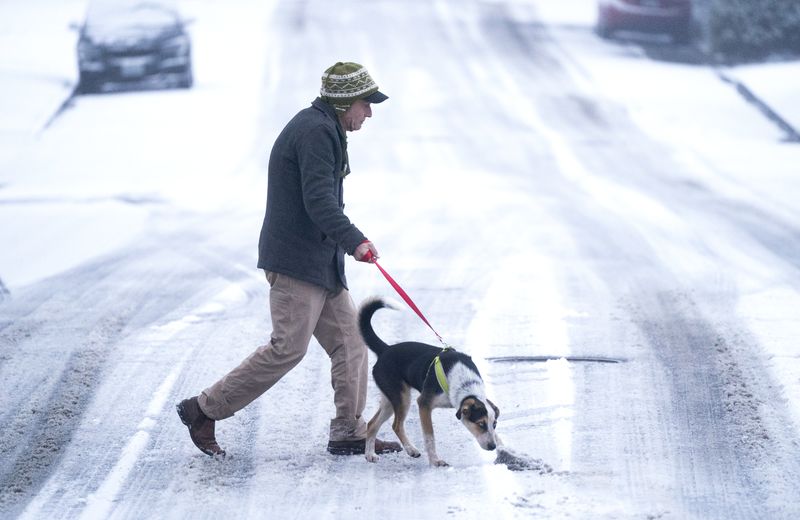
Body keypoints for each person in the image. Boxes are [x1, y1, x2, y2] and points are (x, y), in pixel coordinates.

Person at [176, 62, 402, 457]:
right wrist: (355, 241)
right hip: (298, 262)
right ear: (347, 101)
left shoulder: (325, 127)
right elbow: (319, 202)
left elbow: (319, 202)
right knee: (287, 349)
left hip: (319, 261)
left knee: (352, 341)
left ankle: (349, 430)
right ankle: (203, 409)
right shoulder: (315, 131)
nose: (369, 113)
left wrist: (342, 248)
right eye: (366, 104)